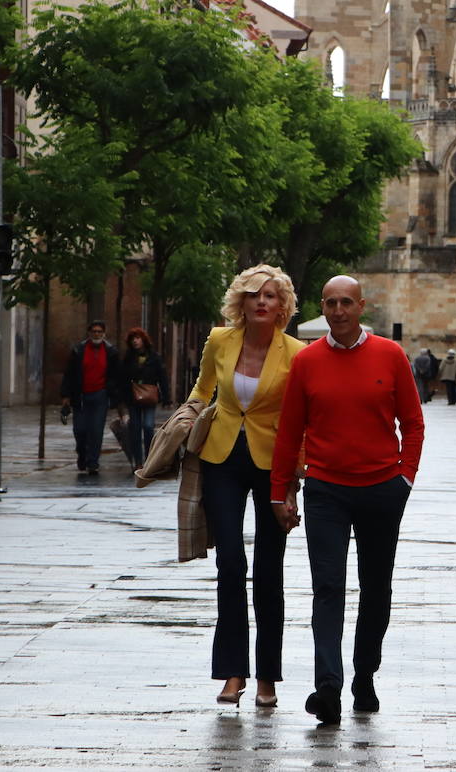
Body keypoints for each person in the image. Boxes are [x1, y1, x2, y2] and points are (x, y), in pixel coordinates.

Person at [271, 275, 424, 725]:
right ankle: (328, 686)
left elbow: (413, 423)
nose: (338, 311)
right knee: (328, 587)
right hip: (326, 492)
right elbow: (289, 431)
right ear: (322, 306)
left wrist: (405, 479)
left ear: (361, 307)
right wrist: (281, 491)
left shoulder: (390, 356)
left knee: (376, 589)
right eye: (331, 303)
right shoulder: (307, 361)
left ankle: (365, 676)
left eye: (346, 303)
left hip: (382, 490)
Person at [188, 264, 307, 709]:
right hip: (220, 458)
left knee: (269, 571)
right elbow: (202, 391)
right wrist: (183, 422)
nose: (261, 301)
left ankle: (267, 679)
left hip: (272, 464)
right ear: (241, 301)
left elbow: (301, 419)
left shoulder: (296, 353)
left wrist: (295, 478)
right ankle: (233, 673)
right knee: (231, 566)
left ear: (283, 307)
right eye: (253, 294)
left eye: (271, 296)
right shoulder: (220, 340)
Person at [60, 320, 123, 474]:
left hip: (100, 396)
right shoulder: (78, 351)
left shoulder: (111, 352)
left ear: (104, 334)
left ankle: (93, 462)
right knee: (80, 430)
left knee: (96, 430)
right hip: (81, 396)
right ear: (89, 333)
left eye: (99, 332)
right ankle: (82, 454)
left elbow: (117, 375)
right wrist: (65, 396)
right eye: (94, 331)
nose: (97, 334)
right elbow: (69, 374)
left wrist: (115, 396)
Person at [121, 327, 170, 472]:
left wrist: (166, 397)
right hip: (133, 397)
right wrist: (121, 399)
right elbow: (122, 378)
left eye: (138, 338)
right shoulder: (128, 358)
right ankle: (138, 461)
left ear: (143, 340)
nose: (135, 341)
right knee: (135, 428)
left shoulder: (154, 357)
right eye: (133, 339)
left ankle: (149, 458)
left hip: (149, 396)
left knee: (148, 426)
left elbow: (162, 377)